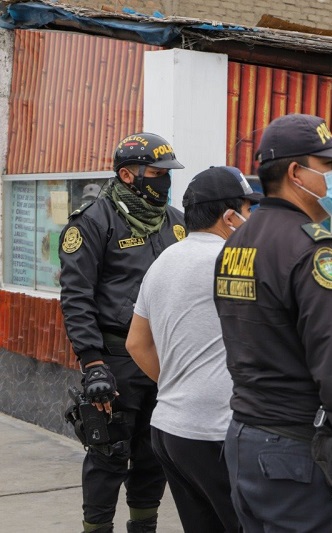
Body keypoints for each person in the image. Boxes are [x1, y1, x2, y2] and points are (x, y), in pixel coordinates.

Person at [214, 113, 332, 531]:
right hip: (298, 453)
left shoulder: (238, 241)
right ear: (296, 173)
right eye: (330, 165)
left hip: (245, 439)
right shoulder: (315, 253)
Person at [58, 132, 186, 533]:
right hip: (114, 360)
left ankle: (143, 527)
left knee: (154, 454)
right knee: (108, 453)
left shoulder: (177, 223)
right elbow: (77, 298)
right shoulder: (93, 222)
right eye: (156, 173)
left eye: (167, 173)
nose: (164, 181)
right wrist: (93, 363)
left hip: (164, 360)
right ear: (128, 175)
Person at [125, 166, 263, 533]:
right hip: (214, 431)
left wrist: (177, 383)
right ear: (229, 216)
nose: (253, 220)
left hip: (169, 429)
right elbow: (314, 286)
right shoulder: (231, 259)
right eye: (249, 211)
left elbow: (136, 343)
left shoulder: (164, 261)